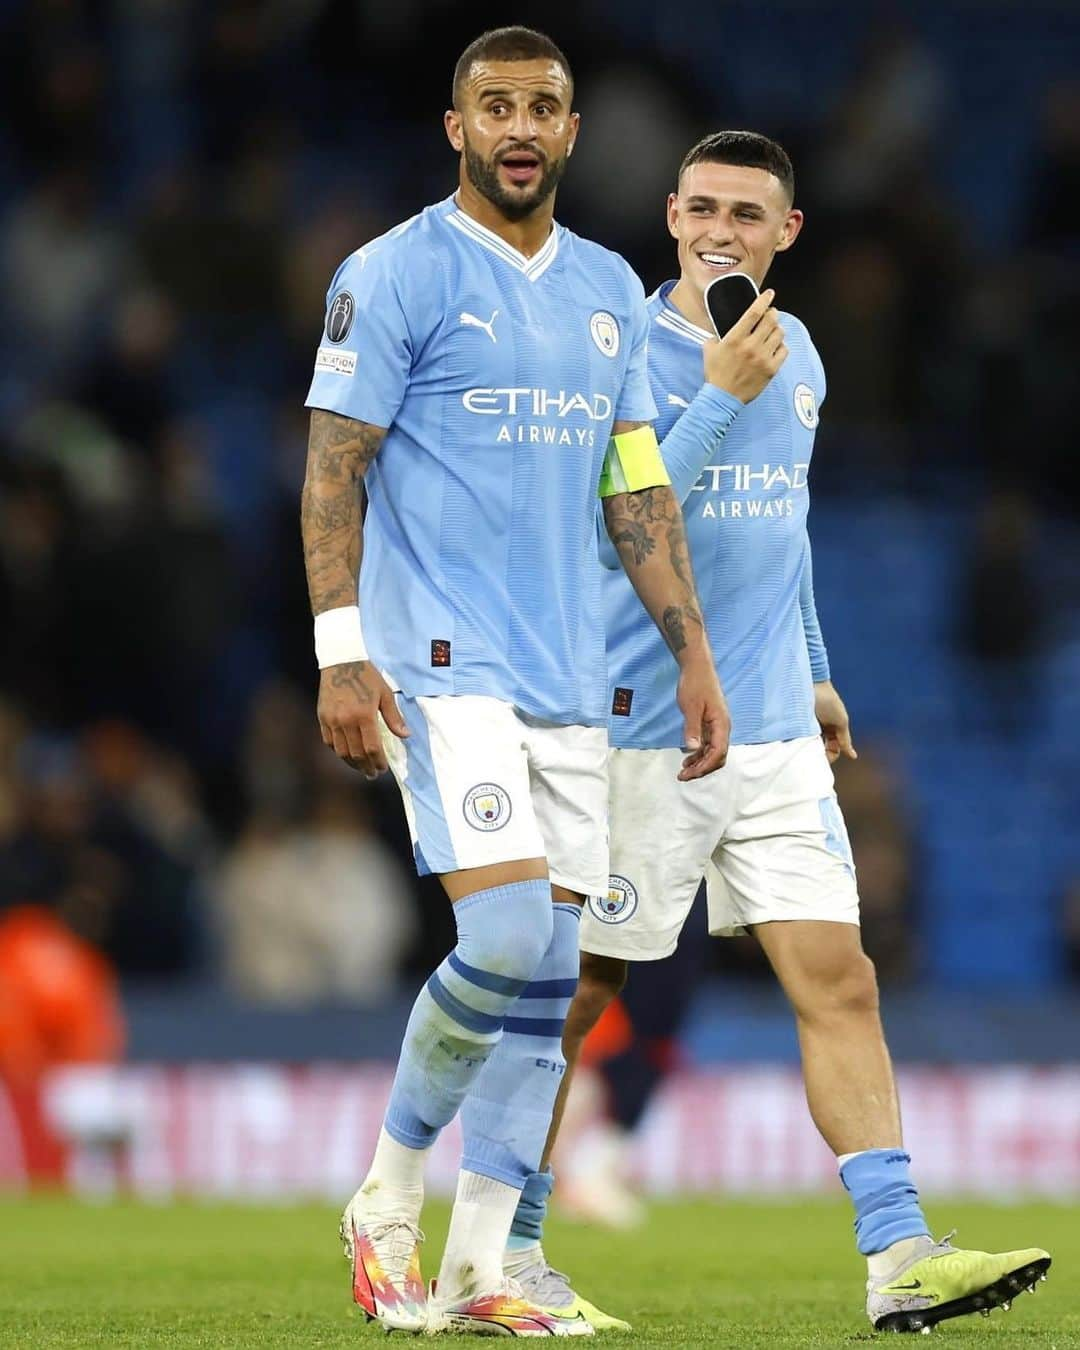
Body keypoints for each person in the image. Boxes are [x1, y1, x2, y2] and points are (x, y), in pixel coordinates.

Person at [502, 131, 1051, 1336]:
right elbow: (620, 525)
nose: (720, 232)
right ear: (668, 216)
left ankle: (898, 1256)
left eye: (747, 215)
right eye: (701, 209)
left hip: (769, 735)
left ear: (786, 232)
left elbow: (781, 525)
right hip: (643, 728)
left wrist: (813, 669)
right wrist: (717, 396)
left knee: (841, 980)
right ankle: (510, 1252)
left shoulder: (796, 350)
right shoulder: (623, 351)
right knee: (583, 996)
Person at [300, 28, 730, 1338]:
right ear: (456, 128)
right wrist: (339, 652)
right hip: (442, 667)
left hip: (572, 680)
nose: (520, 125)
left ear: (575, 129)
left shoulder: (607, 290)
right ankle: (384, 1200)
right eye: (496, 106)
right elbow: (334, 465)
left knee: (549, 978)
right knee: (499, 940)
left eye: (543, 105)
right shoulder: (395, 272)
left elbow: (634, 485)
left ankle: (484, 1263)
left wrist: (693, 652)